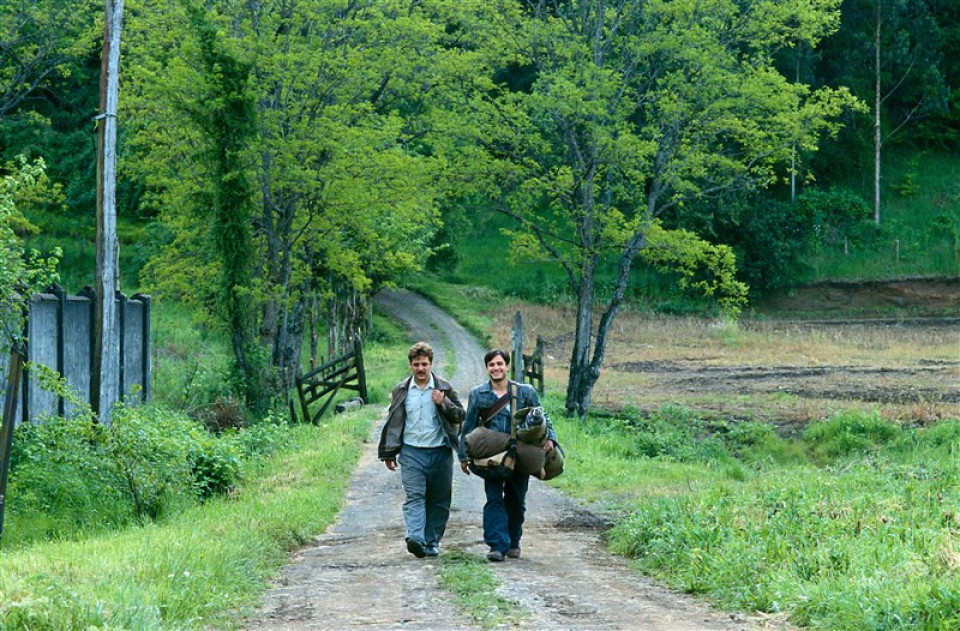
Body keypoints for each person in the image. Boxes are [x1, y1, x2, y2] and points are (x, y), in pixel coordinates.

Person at [459, 349, 557, 562]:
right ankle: (497, 545)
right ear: (487, 368)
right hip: (491, 455)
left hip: (519, 453)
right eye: (491, 365)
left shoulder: (525, 392)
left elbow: (542, 417)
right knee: (493, 498)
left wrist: (551, 439)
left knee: (516, 500)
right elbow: (468, 426)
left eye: (499, 364)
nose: (496, 368)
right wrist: (463, 455)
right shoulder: (478, 394)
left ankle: (513, 541)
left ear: (506, 366)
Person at [378, 342, 465, 558]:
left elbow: (460, 416)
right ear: (410, 366)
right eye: (416, 364)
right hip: (411, 453)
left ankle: (432, 541)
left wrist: (443, 402)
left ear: (431, 364)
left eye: (424, 364)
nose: (420, 368)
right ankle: (415, 538)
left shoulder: (444, 388)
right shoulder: (401, 390)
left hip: (440, 451)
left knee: (439, 499)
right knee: (415, 496)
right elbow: (393, 421)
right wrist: (389, 452)